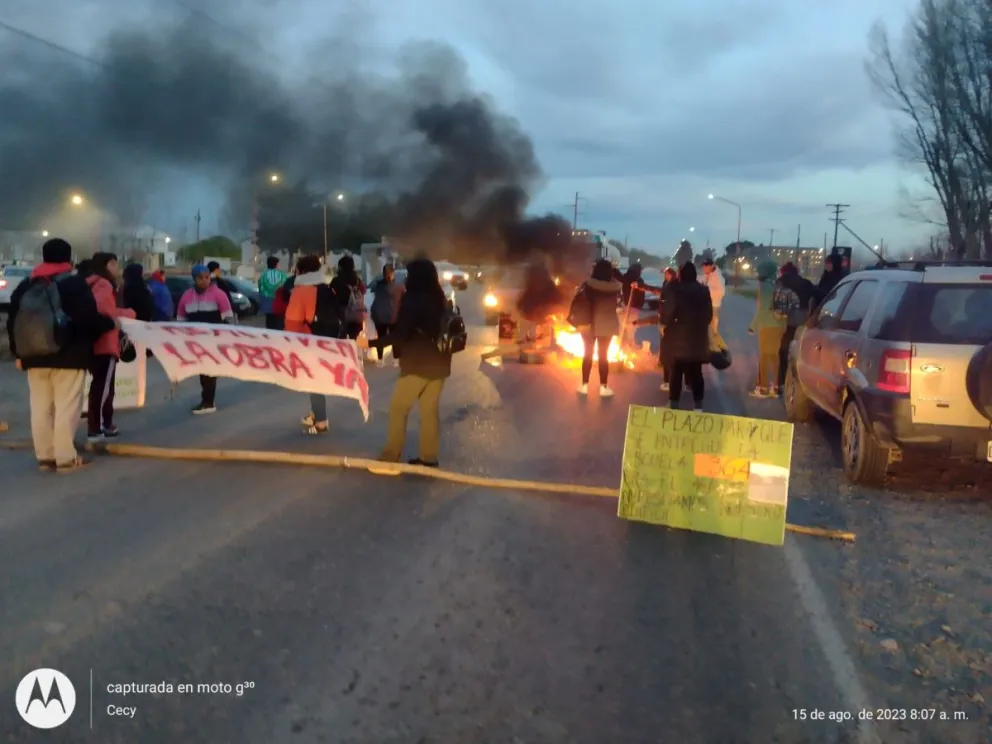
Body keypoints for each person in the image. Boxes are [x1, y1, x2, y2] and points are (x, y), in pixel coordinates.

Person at [5, 238, 118, 472]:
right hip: (69, 355)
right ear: (68, 258)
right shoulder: (74, 284)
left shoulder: (27, 285)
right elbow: (87, 319)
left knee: (40, 407)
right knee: (67, 407)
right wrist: (109, 324)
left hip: (33, 357)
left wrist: (18, 352)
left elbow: (12, 321)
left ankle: (45, 456)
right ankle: (66, 457)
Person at [379, 258, 452, 467]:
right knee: (429, 411)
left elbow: (400, 334)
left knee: (398, 408)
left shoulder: (412, 301)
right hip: (440, 364)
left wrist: (372, 343)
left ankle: (390, 456)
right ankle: (429, 457)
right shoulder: (439, 299)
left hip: (418, 364)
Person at [284, 254, 342, 435]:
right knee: (316, 378)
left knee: (313, 380)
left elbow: (292, 323)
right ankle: (315, 413)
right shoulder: (326, 288)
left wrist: (288, 346)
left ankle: (321, 422)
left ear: (299, 271)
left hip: (309, 341)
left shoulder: (300, 291)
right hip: (329, 340)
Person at [84, 252, 137, 441]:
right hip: (105, 342)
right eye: (114, 264)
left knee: (103, 386)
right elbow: (105, 311)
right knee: (102, 388)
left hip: (94, 342)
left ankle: (105, 424)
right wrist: (128, 313)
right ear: (106, 265)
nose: (117, 268)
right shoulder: (104, 284)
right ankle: (96, 428)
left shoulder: (90, 283)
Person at [176, 264, 234, 414]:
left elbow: (228, 318)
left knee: (209, 371)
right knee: (203, 372)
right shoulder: (187, 296)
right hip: (196, 342)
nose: (204, 281)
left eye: (207, 277)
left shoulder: (219, 294)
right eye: (200, 278)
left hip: (213, 341)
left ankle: (208, 402)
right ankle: (207, 401)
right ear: (194, 279)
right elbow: (181, 319)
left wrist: (225, 340)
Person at [662, 262, 713, 411]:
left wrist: (665, 323)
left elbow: (667, 313)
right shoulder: (703, 290)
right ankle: (698, 407)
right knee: (696, 372)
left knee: (676, 372)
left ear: (681, 274)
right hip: (697, 339)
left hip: (677, 338)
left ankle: (673, 405)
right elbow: (708, 316)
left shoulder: (674, 289)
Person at [577, 259, 622, 398]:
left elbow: (580, 301)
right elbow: (620, 305)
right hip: (607, 324)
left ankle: (584, 386)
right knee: (603, 356)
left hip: (589, 324)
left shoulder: (588, 285)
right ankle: (603, 387)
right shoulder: (616, 287)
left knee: (588, 354)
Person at [747, 259, 786, 397]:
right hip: (779, 325)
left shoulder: (763, 287)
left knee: (764, 357)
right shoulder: (776, 285)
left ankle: (763, 388)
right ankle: (775, 387)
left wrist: (752, 326)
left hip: (768, 326)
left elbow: (763, 309)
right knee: (774, 356)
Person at [774, 262, 816, 393]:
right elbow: (820, 294)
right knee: (801, 352)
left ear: (783, 271)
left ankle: (781, 382)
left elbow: (777, 301)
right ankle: (801, 382)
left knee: (783, 351)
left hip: (789, 320)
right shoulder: (806, 283)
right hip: (804, 321)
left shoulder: (781, 282)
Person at [368, 264, 404, 367]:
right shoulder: (399, 287)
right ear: (393, 273)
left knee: (381, 338)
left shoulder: (378, 286)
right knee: (395, 339)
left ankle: (380, 360)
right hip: (393, 316)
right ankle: (395, 359)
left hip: (380, 317)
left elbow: (373, 294)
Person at [329, 255, 366, 340]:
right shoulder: (357, 280)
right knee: (354, 338)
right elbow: (363, 291)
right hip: (356, 311)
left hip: (342, 313)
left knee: (342, 339)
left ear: (341, 267)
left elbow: (330, 293)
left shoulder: (337, 280)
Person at [258, 255, 288, 330]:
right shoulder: (282, 275)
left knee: (269, 324)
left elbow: (260, 289)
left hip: (267, 304)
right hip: (279, 304)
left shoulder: (263, 276)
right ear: (277, 264)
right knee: (279, 325)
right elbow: (286, 288)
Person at [699, 258, 725, 332]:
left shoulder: (718, 277)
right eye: (703, 266)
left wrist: (706, 291)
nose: (704, 268)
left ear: (712, 266)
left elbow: (721, 292)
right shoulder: (708, 275)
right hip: (707, 304)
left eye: (706, 266)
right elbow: (701, 281)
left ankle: (714, 332)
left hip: (714, 304)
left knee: (713, 322)